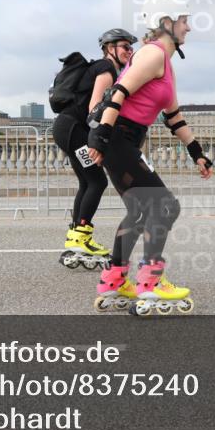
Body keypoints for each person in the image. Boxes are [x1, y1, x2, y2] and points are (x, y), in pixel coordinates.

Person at [87, 0, 213, 315]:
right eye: (184, 20)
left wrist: (197, 152)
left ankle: (114, 280)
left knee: (139, 210)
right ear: (166, 22)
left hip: (124, 140)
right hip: (117, 137)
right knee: (165, 205)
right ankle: (151, 282)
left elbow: (174, 117)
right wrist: (102, 138)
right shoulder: (152, 54)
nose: (189, 26)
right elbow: (119, 91)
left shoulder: (165, 64)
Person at [52, 28, 137, 266]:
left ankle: (76, 236)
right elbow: (94, 108)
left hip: (67, 129)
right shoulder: (106, 69)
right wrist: (99, 142)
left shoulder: (105, 68)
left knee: (88, 181)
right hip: (73, 129)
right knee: (97, 181)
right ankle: (81, 235)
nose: (130, 52)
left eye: (131, 48)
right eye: (125, 47)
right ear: (110, 48)